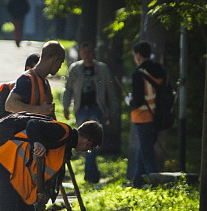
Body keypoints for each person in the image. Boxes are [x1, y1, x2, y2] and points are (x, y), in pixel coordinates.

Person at [0, 52, 40, 211]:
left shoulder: (43, 92)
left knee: (29, 207)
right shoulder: (9, 89)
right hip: (9, 157)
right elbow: (2, 122)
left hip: (32, 158)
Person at [61, 41, 117, 183]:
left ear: (94, 53)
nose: (87, 55)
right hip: (81, 109)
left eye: (90, 52)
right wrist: (66, 107)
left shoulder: (102, 69)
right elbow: (68, 89)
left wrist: (112, 110)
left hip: (98, 109)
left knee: (92, 139)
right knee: (85, 140)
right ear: (80, 53)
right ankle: (92, 173)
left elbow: (110, 91)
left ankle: (91, 174)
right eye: (84, 52)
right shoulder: (75, 69)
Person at [126, 41, 165, 188]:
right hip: (159, 116)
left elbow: (138, 100)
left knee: (147, 153)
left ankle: (157, 185)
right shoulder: (160, 70)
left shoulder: (138, 74)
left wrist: (129, 100)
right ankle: (137, 182)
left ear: (138, 55)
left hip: (143, 117)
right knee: (144, 150)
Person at [4, 40, 66, 119]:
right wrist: (40, 110)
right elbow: (10, 105)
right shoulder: (27, 79)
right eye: (60, 62)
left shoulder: (45, 82)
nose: (60, 66)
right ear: (55, 60)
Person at [0, 53, 40, 122]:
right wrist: (39, 110)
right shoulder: (8, 88)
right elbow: (0, 121)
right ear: (28, 69)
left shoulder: (44, 88)